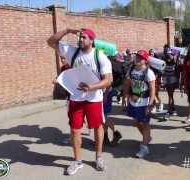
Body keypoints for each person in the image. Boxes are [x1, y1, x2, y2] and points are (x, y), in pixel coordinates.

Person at [47, 28, 112, 174]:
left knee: (97, 127)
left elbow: (108, 80)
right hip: (76, 98)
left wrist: (92, 87)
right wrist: (67, 30)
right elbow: (51, 42)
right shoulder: (72, 51)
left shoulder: (99, 56)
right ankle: (77, 161)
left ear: (91, 40)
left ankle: (98, 157)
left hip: (94, 98)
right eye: (80, 37)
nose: (80, 40)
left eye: (84, 37)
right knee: (75, 129)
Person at [123, 50, 156, 158]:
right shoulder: (131, 70)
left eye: (140, 58)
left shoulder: (148, 73)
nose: (137, 59)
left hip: (144, 102)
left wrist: (150, 104)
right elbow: (127, 84)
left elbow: (152, 89)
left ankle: (144, 146)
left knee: (145, 124)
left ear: (145, 61)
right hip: (133, 101)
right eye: (137, 57)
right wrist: (124, 98)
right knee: (136, 122)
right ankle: (147, 138)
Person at [162, 45, 179, 117]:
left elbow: (178, 70)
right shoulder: (163, 58)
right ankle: (173, 109)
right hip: (166, 78)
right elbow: (162, 69)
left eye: (166, 52)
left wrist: (178, 80)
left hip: (172, 79)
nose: (166, 53)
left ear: (169, 51)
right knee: (170, 95)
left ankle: (169, 111)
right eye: (165, 52)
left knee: (170, 95)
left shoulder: (174, 59)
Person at [149, 48, 164, 113]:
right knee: (152, 94)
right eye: (150, 53)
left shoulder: (157, 61)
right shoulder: (148, 61)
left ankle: (160, 104)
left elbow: (160, 71)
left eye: (152, 52)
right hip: (150, 79)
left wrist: (156, 77)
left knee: (155, 94)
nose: (151, 54)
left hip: (156, 79)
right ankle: (154, 106)